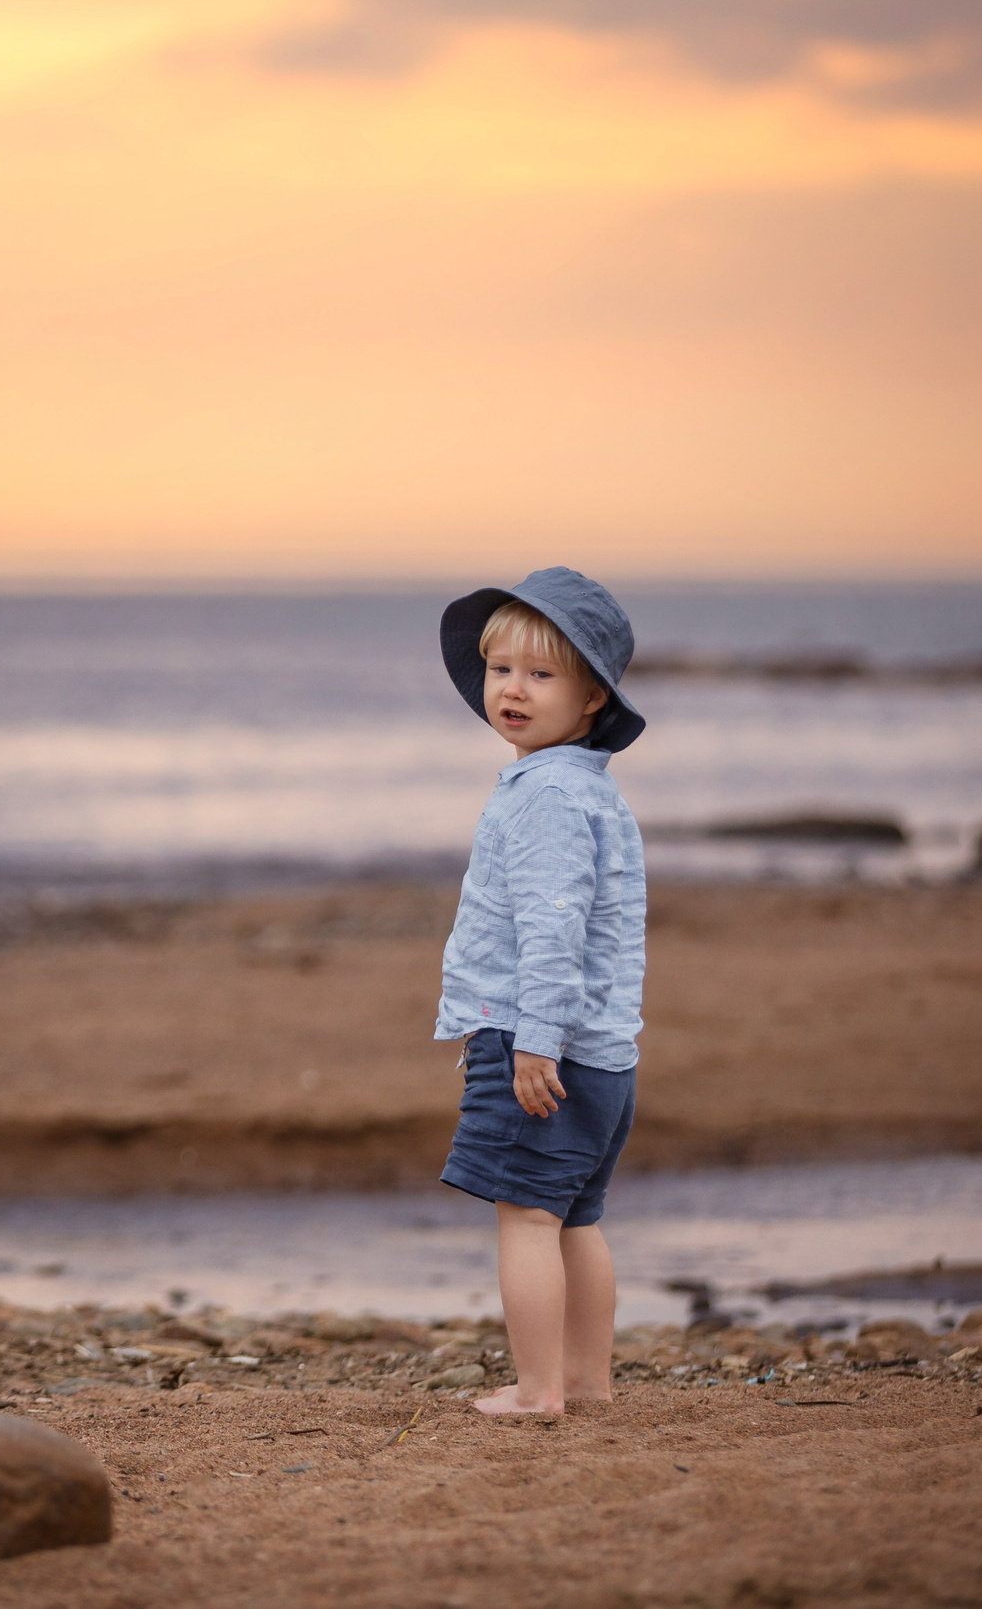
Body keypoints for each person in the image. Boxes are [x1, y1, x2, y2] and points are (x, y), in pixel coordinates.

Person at [432, 567, 647, 1416]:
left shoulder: (548, 797)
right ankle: (587, 1382)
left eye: (542, 674)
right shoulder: (588, 788)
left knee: (525, 1219)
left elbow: (554, 930)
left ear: (592, 695)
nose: (512, 689)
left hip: (542, 1046)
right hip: (603, 1057)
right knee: (574, 1220)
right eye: (500, 670)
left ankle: (538, 1389)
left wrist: (532, 1042)